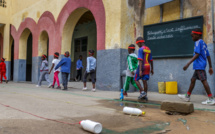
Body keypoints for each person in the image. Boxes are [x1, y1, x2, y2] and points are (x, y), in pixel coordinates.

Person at [178, 28, 215, 105]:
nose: (192, 37)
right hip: (201, 65)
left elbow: (197, 54)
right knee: (193, 80)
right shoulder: (203, 43)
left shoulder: (198, 42)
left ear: (198, 35)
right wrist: (210, 66)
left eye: (193, 36)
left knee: (204, 80)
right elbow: (208, 55)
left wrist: (188, 64)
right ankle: (187, 96)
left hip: (199, 65)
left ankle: (211, 98)